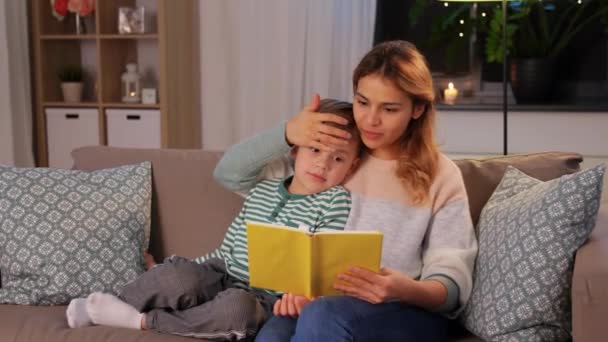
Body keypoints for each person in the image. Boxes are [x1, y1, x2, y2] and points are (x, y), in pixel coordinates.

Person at [213, 40, 478, 342]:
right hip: (316, 305)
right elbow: (229, 174)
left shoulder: (440, 175)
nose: (370, 119)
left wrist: (405, 288)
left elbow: (452, 279)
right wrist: (287, 133)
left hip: (405, 311)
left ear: (417, 109)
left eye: (389, 109)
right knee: (274, 333)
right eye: (362, 102)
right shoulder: (333, 155)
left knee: (323, 315)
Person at [65, 99, 363, 340]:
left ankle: (141, 321)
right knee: (178, 276)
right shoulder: (265, 186)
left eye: (338, 159)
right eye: (315, 149)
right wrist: (179, 267)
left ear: (352, 167)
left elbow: (321, 262)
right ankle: (107, 303)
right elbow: (228, 243)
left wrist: (303, 296)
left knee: (238, 311)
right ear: (295, 150)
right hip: (220, 271)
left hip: (265, 298)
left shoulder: (335, 200)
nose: (323, 164)